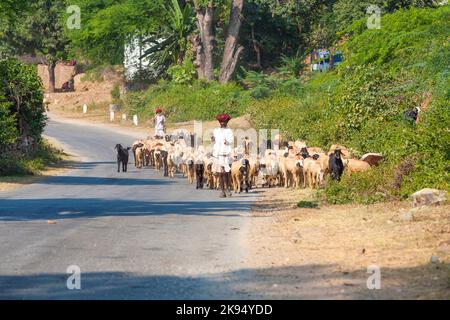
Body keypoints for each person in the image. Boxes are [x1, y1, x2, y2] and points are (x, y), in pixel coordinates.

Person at [212, 113, 234, 198]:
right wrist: (212, 139)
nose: (222, 123)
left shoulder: (229, 131)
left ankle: (228, 189)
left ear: (227, 122)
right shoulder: (216, 130)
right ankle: (222, 191)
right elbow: (214, 141)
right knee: (220, 173)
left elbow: (231, 141)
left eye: (224, 122)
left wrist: (227, 142)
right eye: (221, 122)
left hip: (226, 153)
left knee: (227, 173)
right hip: (218, 154)